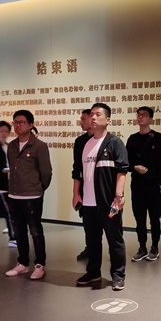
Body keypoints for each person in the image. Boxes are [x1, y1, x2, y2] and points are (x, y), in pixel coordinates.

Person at [72, 102, 129, 290]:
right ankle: (93, 272)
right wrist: (76, 193)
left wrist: (118, 196)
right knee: (92, 240)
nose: (93, 117)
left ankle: (118, 275)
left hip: (109, 203)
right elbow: (78, 171)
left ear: (108, 120)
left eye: (98, 114)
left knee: (115, 240)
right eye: (91, 115)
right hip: (88, 203)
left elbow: (122, 170)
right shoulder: (84, 144)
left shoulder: (115, 143)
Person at [5, 110, 52, 280]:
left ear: (31, 125)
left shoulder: (39, 146)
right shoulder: (11, 146)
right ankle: (23, 263)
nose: (18, 125)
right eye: (15, 122)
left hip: (32, 196)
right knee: (19, 232)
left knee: (35, 231)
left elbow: (46, 173)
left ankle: (40, 264)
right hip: (14, 195)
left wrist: (37, 188)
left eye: (22, 122)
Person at [126, 106, 161, 262]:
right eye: (138, 114)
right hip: (137, 184)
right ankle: (142, 247)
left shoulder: (157, 138)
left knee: (155, 218)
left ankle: (155, 247)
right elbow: (126, 162)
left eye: (144, 115)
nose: (140, 117)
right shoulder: (132, 139)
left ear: (150, 119)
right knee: (139, 217)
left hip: (152, 185)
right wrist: (135, 167)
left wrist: (155, 178)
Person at [73, 109, 93, 261]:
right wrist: (76, 192)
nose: (81, 122)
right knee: (87, 220)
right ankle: (89, 247)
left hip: (101, 189)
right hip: (85, 188)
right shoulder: (80, 141)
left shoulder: (109, 141)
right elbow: (77, 168)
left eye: (83, 119)